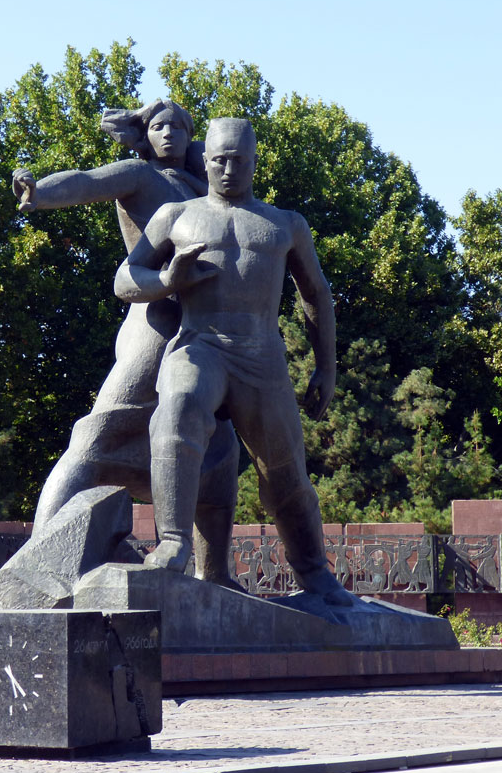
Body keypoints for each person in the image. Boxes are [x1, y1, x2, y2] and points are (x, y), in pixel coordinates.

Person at [115, 117, 354, 605]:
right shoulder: (176, 216)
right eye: (219, 160)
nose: (228, 169)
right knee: (177, 409)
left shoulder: (284, 223)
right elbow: (125, 279)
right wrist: (167, 281)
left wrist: (326, 368)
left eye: (238, 161)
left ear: (254, 162)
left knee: (285, 475)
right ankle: (175, 543)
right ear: (205, 160)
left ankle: (316, 575)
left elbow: (317, 296)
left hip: (261, 357)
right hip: (199, 344)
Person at [12, 100, 241, 587]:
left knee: (218, 450)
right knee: (100, 433)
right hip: (154, 323)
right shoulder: (140, 176)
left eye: (179, 127)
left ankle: (214, 575)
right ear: (143, 134)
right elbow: (86, 181)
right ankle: (36, 558)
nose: (170, 135)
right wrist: (39, 191)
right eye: (158, 126)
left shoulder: (206, 186)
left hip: (205, 333)